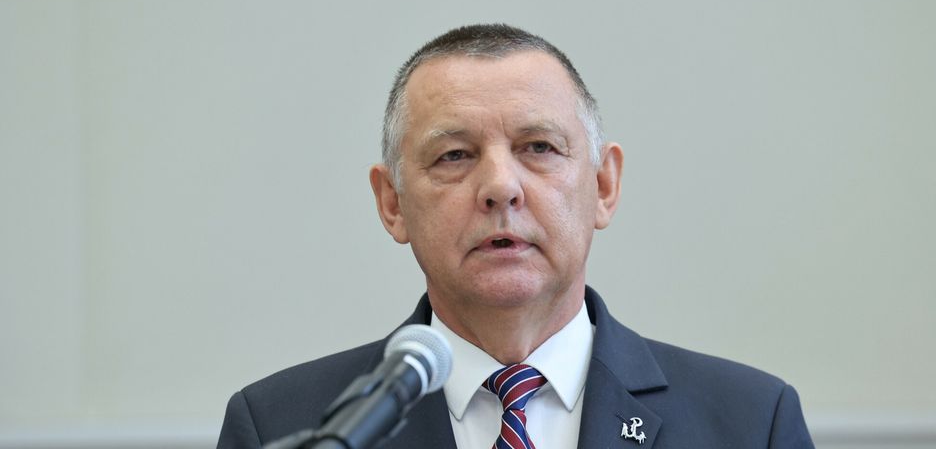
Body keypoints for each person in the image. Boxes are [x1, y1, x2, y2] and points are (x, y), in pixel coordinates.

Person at [217, 24, 814, 448]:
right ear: (392, 202)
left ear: (603, 186)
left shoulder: (750, 422)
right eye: (454, 155)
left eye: (539, 147)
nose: (501, 187)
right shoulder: (282, 425)